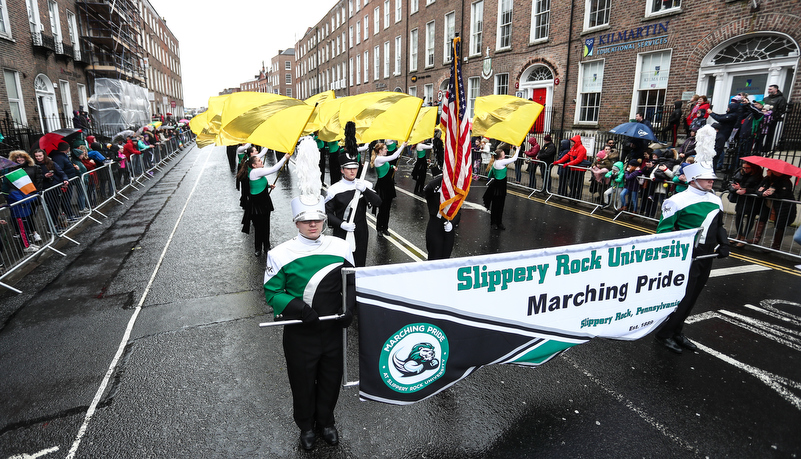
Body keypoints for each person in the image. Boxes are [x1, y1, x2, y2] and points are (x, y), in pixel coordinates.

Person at [263, 195, 354, 451]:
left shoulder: (340, 246)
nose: (312, 225)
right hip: (300, 331)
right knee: (302, 381)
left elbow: (351, 282)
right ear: (296, 223)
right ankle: (306, 426)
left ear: (324, 220)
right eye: (306, 221)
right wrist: (301, 310)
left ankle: (326, 422)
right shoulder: (280, 253)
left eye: (317, 220)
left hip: (333, 328)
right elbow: (273, 292)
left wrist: (349, 309)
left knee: (330, 378)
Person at [655, 162, 729, 354]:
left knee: (693, 296)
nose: (712, 181)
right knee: (682, 297)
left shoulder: (716, 200)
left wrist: (724, 243)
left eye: (712, 178)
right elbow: (664, 232)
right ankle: (664, 334)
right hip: (686, 256)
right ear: (694, 179)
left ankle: (677, 331)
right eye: (707, 178)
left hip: (706, 255)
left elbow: (719, 226)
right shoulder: (677, 200)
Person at [325, 152, 381, 267]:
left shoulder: (364, 185)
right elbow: (327, 214)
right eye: (349, 168)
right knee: (343, 265)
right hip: (342, 231)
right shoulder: (334, 190)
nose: (352, 171)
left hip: (361, 230)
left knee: (359, 263)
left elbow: (378, 202)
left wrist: (365, 190)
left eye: (355, 168)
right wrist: (341, 224)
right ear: (342, 170)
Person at [238, 151, 290, 257]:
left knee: (266, 225)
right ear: (254, 165)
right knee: (259, 227)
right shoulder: (255, 172)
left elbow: (256, 184)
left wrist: (268, 186)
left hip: (264, 202)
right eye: (259, 161)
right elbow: (274, 168)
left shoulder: (254, 172)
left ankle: (267, 246)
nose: (261, 161)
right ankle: (258, 248)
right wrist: (284, 158)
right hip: (256, 204)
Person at [749, 170, 796, 249]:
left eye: (770, 170)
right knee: (761, 218)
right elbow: (758, 189)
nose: (767, 171)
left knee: (779, 224)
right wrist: (763, 193)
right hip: (767, 203)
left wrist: (772, 194)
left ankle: (776, 245)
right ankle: (755, 239)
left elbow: (783, 195)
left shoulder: (786, 181)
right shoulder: (767, 179)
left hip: (781, 206)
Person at [371, 141, 406, 236]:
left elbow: (387, 165)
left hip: (388, 185)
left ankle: (385, 227)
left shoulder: (382, 159)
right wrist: (402, 146)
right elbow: (394, 156)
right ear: (380, 151)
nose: (387, 150)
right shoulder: (378, 159)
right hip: (382, 187)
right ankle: (379, 228)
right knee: (382, 209)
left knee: (387, 209)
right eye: (385, 149)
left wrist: (392, 166)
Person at [482, 145, 519, 230]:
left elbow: (490, 174)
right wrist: (517, 149)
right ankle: (495, 223)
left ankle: (497, 222)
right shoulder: (499, 162)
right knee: (497, 205)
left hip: (499, 186)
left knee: (498, 205)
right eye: (503, 154)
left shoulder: (496, 162)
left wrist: (514, 149)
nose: (505, 155)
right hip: (498, 187)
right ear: (500, 157)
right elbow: (514, 159)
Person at [424, 174, 460, 260]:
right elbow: (428, 189)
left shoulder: (454, 195)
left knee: (446, 258)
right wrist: (445, 177)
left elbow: (458, 212)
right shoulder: (434, 195)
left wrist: (452, 223)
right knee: (434, 258)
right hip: (435, 227)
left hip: (448, 230)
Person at [728, 161, 763, 246]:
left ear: (753, 168)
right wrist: (737, 189)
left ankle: (744, 237)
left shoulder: (758, 176)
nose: (745, 169)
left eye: (748, 168)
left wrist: (745, 190)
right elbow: (731, 185)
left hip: (752, 200)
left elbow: (758, 189)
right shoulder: (739, 173)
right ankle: (738, 235)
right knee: (739, 216)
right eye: (744, 167)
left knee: (750, 218)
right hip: (741, 199)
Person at [553, 134, 588, 199]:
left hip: (580, 170)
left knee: (578, 184)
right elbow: (567, 156)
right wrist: (558, 161)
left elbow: (578, 159)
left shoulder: (582, 149)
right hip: (573, 169)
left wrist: (568, 164)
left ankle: (577, 197)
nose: (571, 143)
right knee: (571, 183)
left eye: (572, 141)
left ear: (576, 142)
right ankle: (572, 194)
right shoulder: (573, 148)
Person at [762, 85, 787, 152]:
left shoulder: (781, 99)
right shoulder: (766, 98)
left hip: (772, 119)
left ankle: (767, 148)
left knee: (770, 133)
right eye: (768, 89)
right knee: (761, 133)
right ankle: (759, 147)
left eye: (770, 89)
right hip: (763, 118)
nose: (769, 91)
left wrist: (773, 115)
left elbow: (781, 109)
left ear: (776, 90)